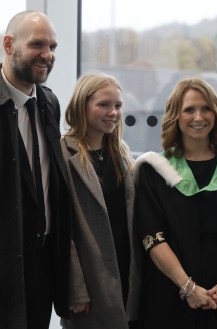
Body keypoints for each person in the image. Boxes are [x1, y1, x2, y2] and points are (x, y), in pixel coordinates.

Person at [134, 77, 217, 329]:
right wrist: (188, 289)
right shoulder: (154, 170)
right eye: (189, 109)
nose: (198, 117)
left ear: (216, 113)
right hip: (170, 294)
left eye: (206, 108)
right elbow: (152, 238)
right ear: (175, 116)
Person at [0, 10, 72, 329]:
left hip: (42, 264)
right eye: (38, 44)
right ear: (8, 44)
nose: (47, 55)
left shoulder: (49, 103)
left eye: (53, 47)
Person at [60, 73, 141, 329]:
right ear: (82, 105)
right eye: (103, 104)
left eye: (117, 106)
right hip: (91, 282)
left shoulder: (121, 153)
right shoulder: (62, 154)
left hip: (126, 270)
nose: (113, 113)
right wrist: (76, 289)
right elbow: (64, 230)